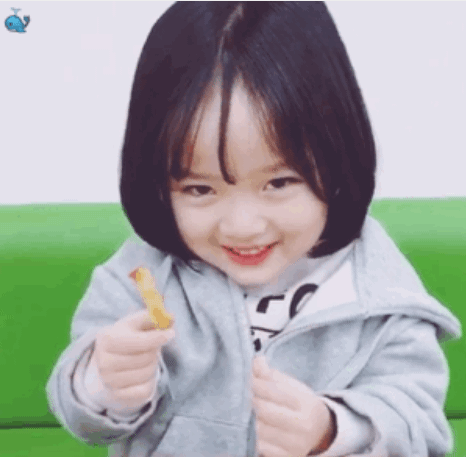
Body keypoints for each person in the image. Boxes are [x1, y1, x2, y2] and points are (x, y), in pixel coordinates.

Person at [45, 2, 462, 456]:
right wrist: (103, 383)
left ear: (338, 157)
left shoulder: (381, 295)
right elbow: (86, 418)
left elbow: (421, 430)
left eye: (279, 183)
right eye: (200, 189)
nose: (242, 227)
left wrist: (332, 431)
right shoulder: (143, 277)